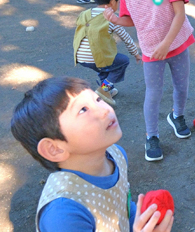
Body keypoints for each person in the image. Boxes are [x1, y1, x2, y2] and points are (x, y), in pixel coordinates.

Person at [10, 77, 174, 232]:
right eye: (83, 110)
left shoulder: (116, 155)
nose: (104, 110)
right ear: (55, 149)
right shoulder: (64, 216)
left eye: (98, 99)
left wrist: (139, 219)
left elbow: (122, 204)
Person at [103, 0, 195, 162]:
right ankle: (151, 135)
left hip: (177, 43)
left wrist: (167, 43)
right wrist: (115, 19)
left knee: (181, 86)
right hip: (151, 50)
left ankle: (177, 116)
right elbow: (132, 19)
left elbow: (179, 14)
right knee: (153, 94)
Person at [74, 0, 142, 105]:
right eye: (118, 2)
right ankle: (103, 90)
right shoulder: (110, 18)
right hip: (95, 56)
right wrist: (136, 54)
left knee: (104, 68)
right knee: (122, 61)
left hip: (81, 56)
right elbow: (125, 37)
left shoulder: (84, 14)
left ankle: (107, 91)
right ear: (112, 1)